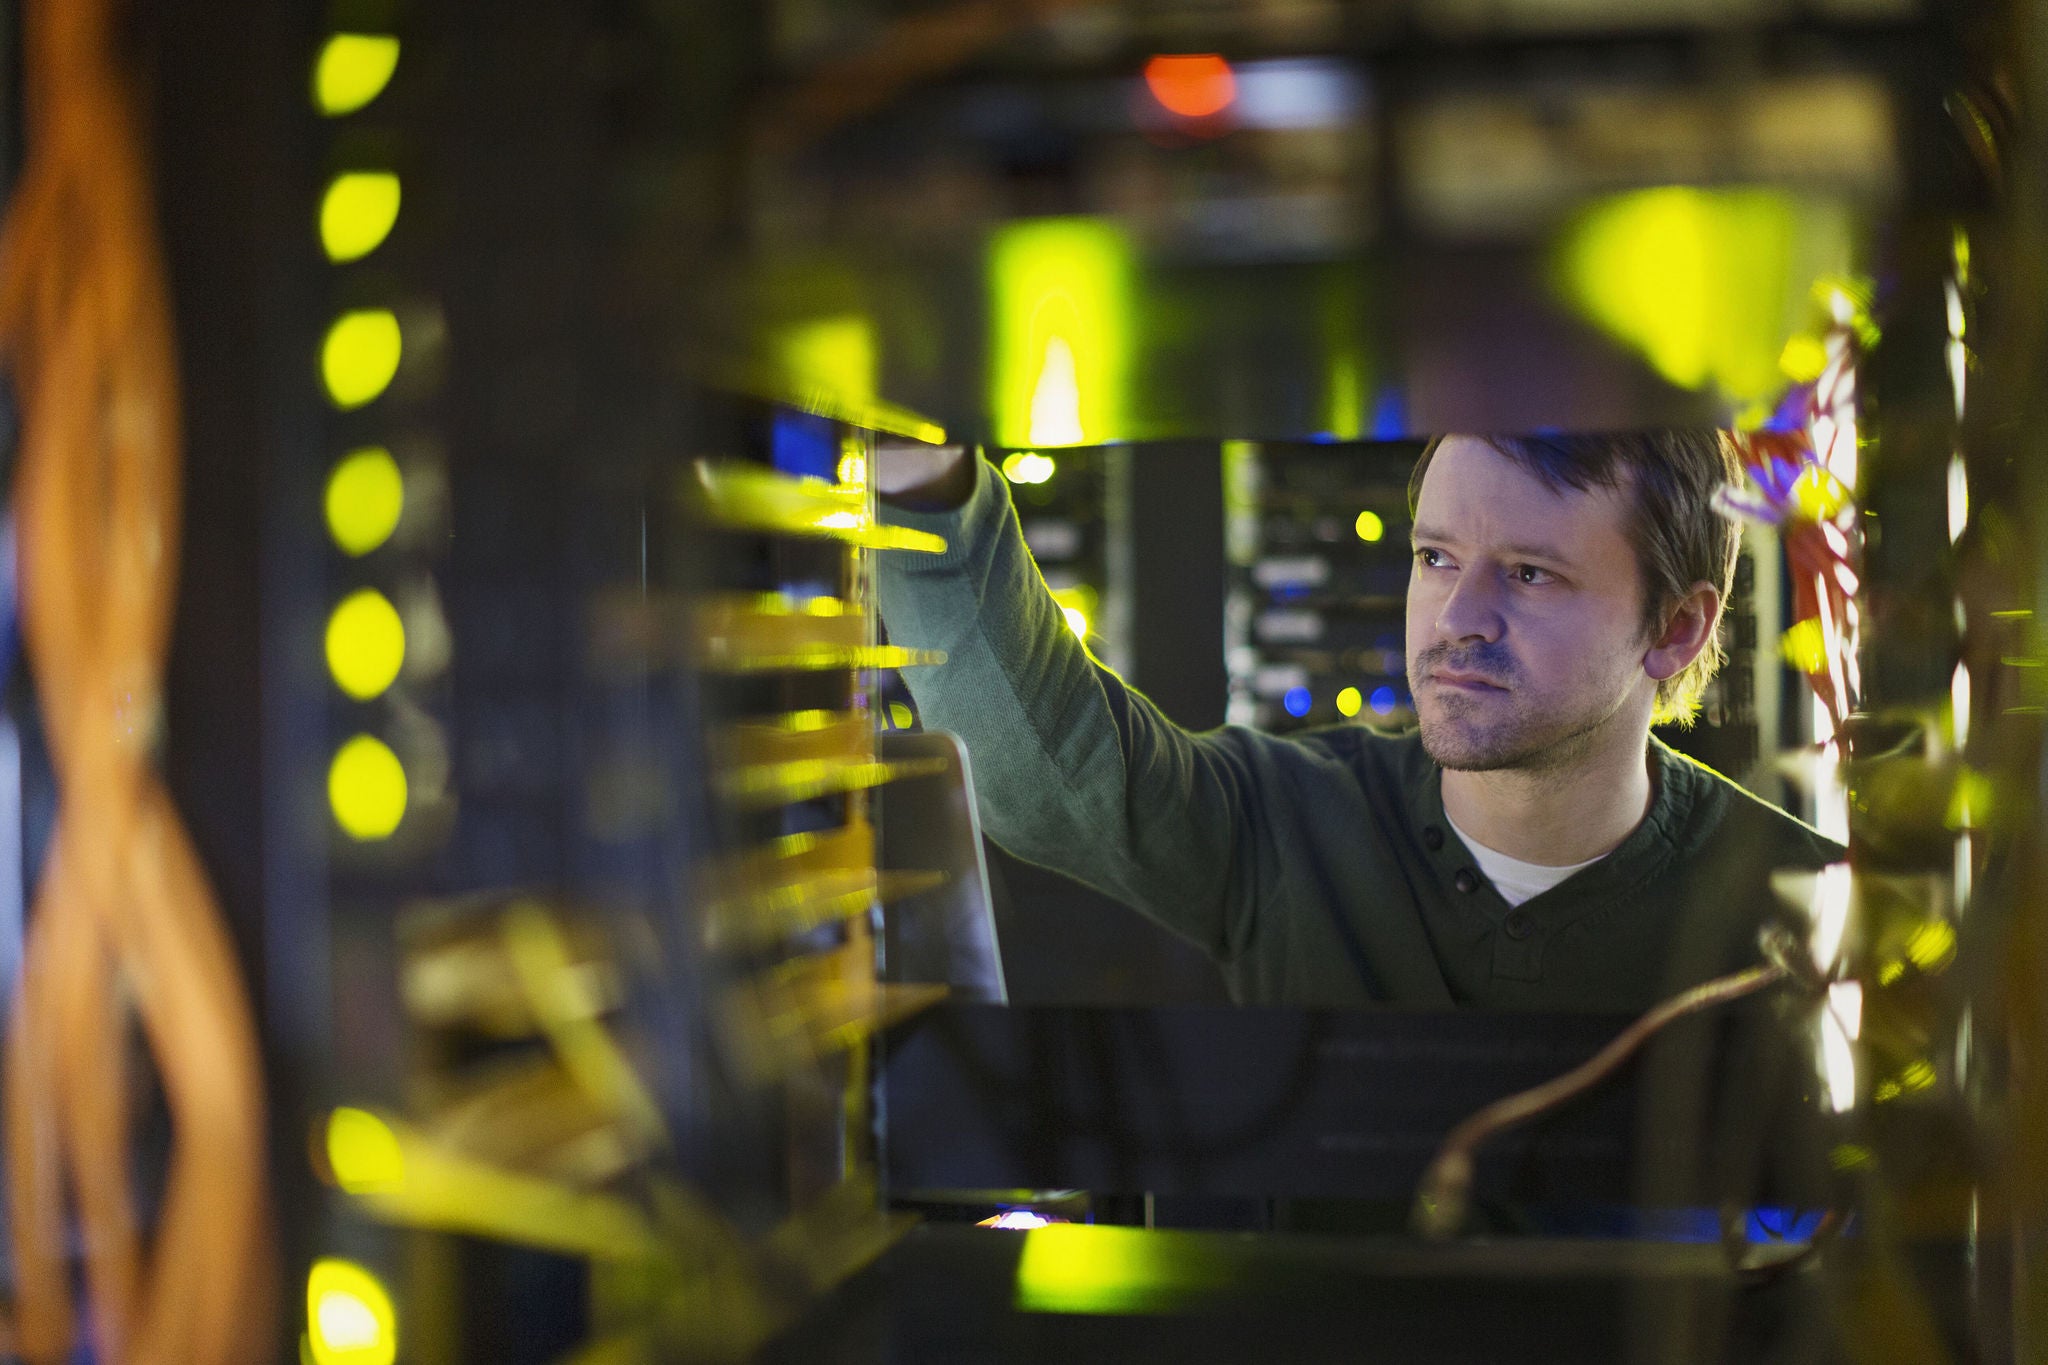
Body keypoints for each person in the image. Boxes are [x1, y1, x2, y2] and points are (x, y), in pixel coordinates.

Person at [873, 433, 1841, 1009]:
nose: (1455, 619)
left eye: (1530, 573)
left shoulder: (1808, 907)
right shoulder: (1288, 822)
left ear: (1674, 629)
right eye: (1433, 559)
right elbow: (1047, 776)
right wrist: (921, 482)